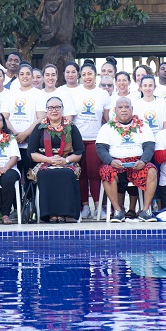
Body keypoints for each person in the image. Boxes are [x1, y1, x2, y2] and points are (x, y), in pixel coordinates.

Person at [96, 97, 158, 222]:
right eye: (120, 107)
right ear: (115, 110)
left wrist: (144, 161)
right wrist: (111, 161)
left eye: (126, 107)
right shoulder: (107, 127)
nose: (124, 110)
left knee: (152, 170)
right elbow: (100, 148)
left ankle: (145, 210)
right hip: (116, 164)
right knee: (106, 171)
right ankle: (118, 210)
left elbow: (149, 146)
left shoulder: (143, 126)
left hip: (137, 164)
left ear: (132, 109)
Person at [27, 97, 85, 223]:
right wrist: (49, 159)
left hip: (67, 161)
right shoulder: (39, 127)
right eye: (51, 108)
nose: (54, 110)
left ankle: (66, 213)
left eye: (57, 107)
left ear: (62, 109)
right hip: (44, 161)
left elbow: (79, 151)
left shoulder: (71, 127)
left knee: (66, 173)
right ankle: (50, 214)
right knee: (46, 174)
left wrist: (66, 161)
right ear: (46, 110)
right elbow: (31, 152)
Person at [67, 63, 109, 219]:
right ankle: (84, 206)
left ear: (95, 75)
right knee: (81, 173)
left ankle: (98, 206)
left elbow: (106, 119)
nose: (87, 77)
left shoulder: (103, 94)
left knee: (94, 173)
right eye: (83, 74)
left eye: (89, 74)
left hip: (96, 139)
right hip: (78, 139)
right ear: (80, 76)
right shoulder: (74, 93)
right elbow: (70, 118)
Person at [4, 63, 47, 177]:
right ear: (17, 76)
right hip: (12, 142)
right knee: (12, 177)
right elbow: (5, 117)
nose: (25, 76)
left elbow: (41, 117)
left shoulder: (39, 94)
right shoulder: (10, 94)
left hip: (31, 142)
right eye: (22, 74)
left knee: (30, 177)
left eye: (28, 74)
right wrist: (15, 134)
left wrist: (25, 134)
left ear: (32, 77)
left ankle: (30, 196)